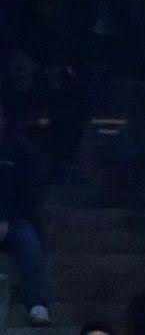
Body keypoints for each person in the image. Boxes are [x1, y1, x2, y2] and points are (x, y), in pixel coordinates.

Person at [0, 102, 53, 325]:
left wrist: (5, 218)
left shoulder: (18, 148)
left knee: (30, 242)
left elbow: (28, 191)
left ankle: (36, 304)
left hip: (14, 221)